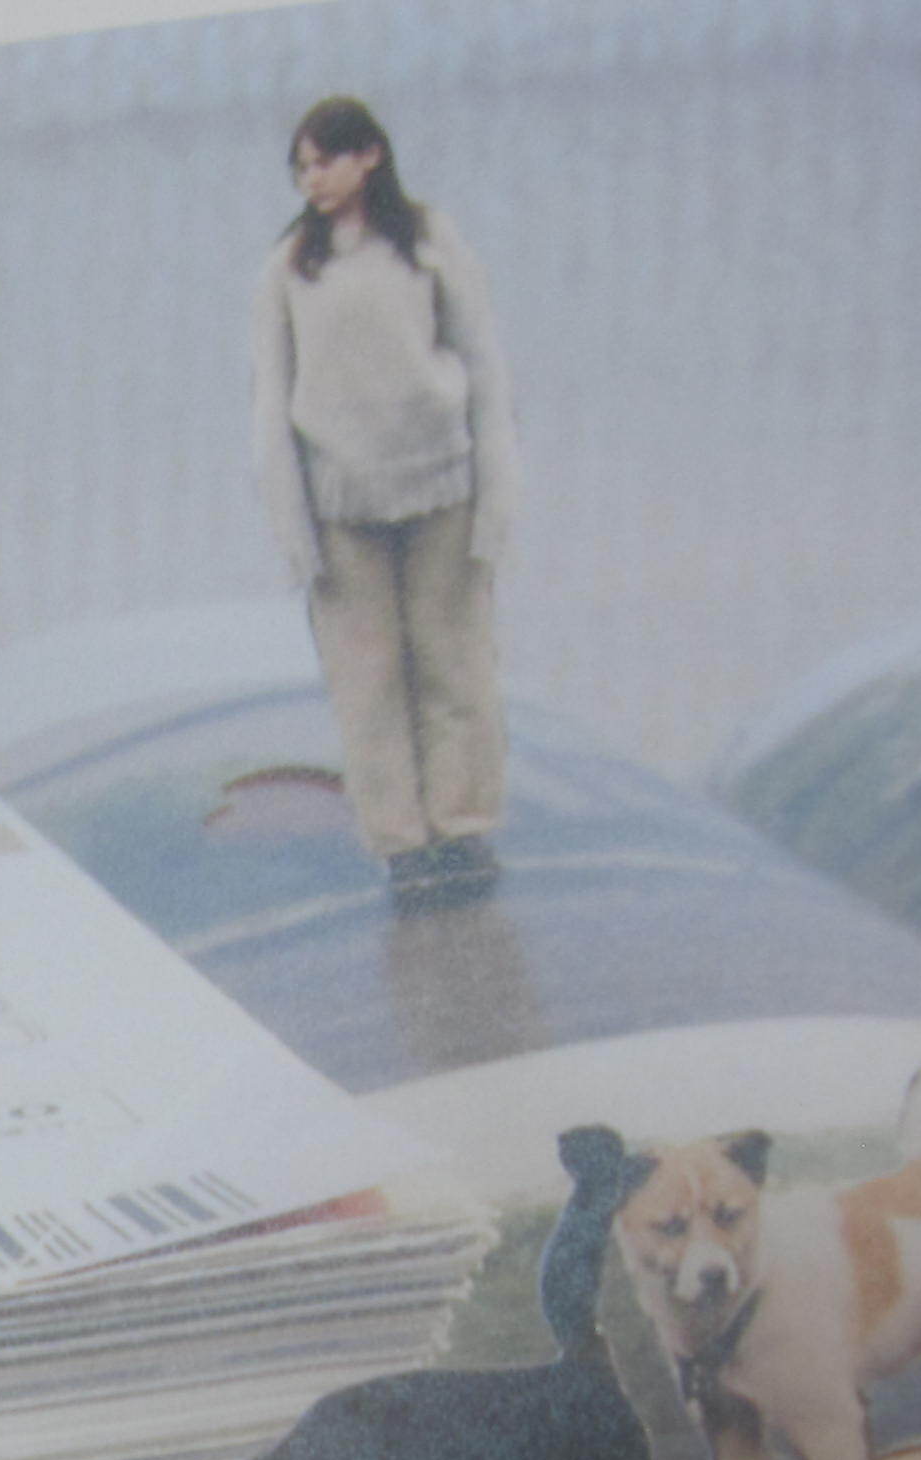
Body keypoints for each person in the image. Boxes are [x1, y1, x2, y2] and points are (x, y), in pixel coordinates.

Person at [252, 94, 516, 903]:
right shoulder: (289, 266)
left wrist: (498, 503)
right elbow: (271, 405)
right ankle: (403, 848)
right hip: (341, 511)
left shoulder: (429, 240)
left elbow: (484, 366)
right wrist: (293, 533)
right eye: (301, 167)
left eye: (325, 160)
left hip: (443, 490)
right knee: (367, 686)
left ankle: (462, 831)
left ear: (369, 156)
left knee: (456, 667)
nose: (313, 179)